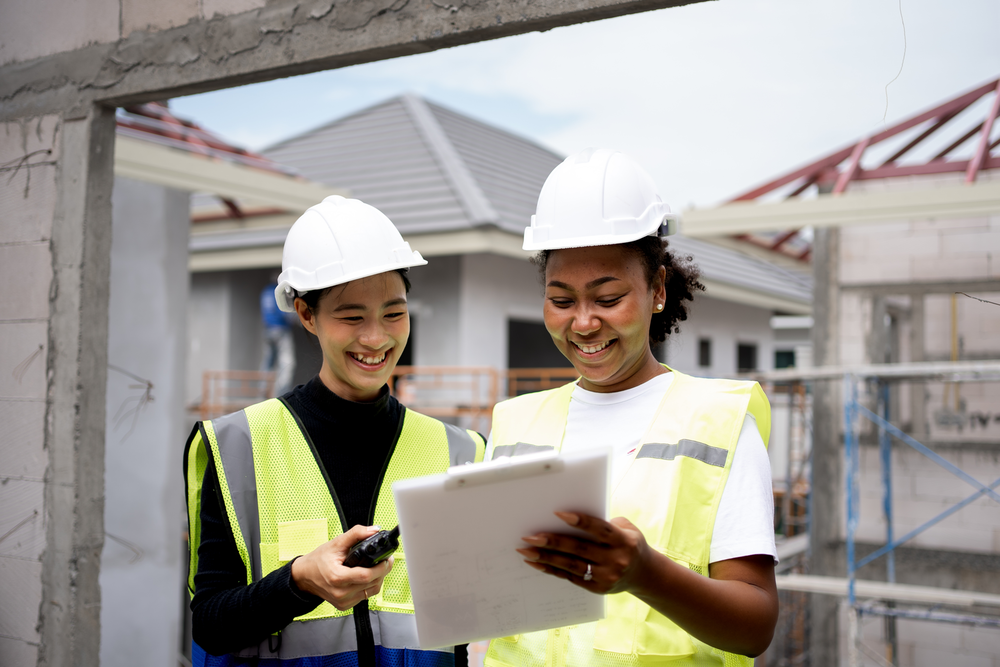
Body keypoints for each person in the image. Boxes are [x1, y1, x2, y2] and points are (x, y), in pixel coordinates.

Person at [485, 149, 779, 667]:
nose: (582, 323)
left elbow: (755, 625)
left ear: (657, 290)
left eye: (607, 297)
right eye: (561, 300)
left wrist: (646, 574)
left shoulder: (716, 422)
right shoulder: (514, 423)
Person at [184, 195, 486, 667]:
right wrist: (298, 581)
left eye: (394, 312)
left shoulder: (460, 450)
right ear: (307, 314)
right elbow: (210, 625)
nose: (376, 338)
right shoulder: (239, 445)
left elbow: (468, 630)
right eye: (351, 317)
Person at [259, 276, 297, 396]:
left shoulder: (265, 292)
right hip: (280, 330)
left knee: (268, 363)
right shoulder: (277, 292)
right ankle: (282, 394)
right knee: (287, 363)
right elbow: (284, 313)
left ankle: (263, 392)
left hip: (268, 330)